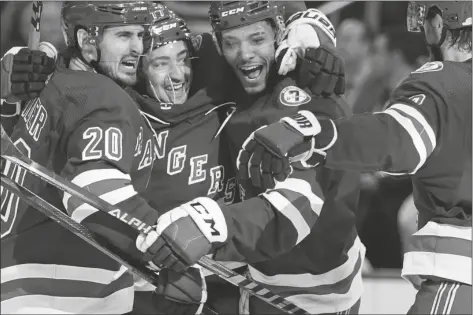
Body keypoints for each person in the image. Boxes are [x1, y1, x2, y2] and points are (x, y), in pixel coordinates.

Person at [237, 1, 472, 314]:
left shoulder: (445, 84)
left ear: (438, 25)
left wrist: (310, 133)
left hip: (461, 280)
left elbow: (396, 139)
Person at [137, 2, 364, 314]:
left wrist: (211, 225)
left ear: (279, 33)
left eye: (257, 39)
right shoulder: (219, 68)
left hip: (321, 289)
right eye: (231, 43)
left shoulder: (310, 87)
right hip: (255, 282)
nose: (244, 54)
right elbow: (137, 55)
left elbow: (297, 204)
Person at [0, 2, 192, 313]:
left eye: (140, 35)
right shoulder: (101, 97)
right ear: (87, 41)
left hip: (19, 286)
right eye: (123, 35)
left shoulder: (50, 84)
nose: (137, 48)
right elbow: (94, 193)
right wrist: (171, 249)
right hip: (61, 297)